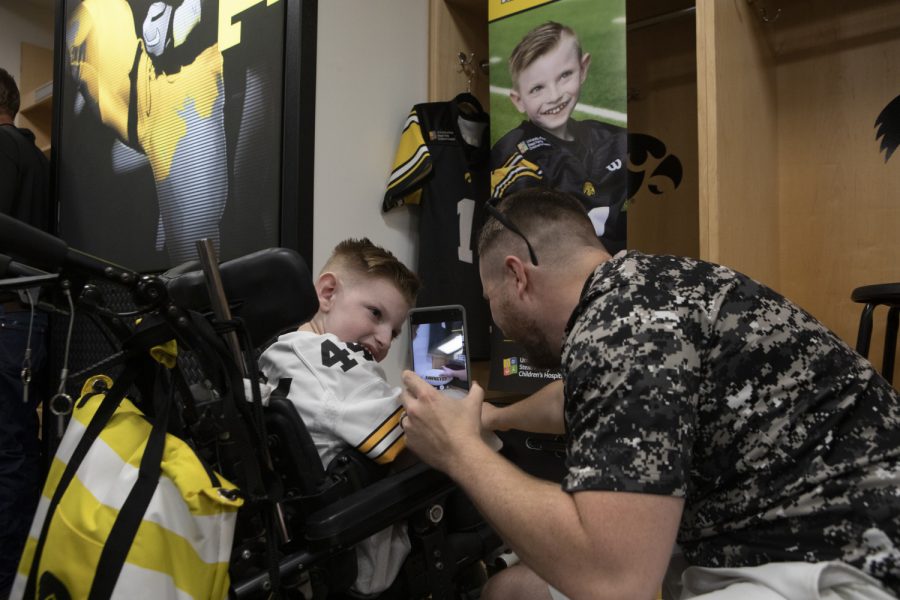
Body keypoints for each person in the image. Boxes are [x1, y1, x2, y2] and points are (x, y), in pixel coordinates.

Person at [399, 187, 900, 599]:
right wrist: (490, 419)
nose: (495, 319)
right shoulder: (648, 288)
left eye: (491, 301)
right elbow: (579, 400)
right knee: (511, 591)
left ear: (516, 275)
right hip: (800, 528)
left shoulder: (619, 327)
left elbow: (617, 583)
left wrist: (458, 450)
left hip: (851, 561)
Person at [257, 238, 420, 597]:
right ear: (327, 293)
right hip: (364, 566)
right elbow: (416, 438)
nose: (383, 340)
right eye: (375, 313)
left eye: (393, 331)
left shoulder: (275, 354)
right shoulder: (334, 362)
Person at [490, 22, 628, 254]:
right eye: (537, 89)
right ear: (518, 100)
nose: (554, 96)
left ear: (583, 69)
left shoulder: (612, 138)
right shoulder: (515, 158)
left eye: (565, 75)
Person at [0, 66, 51, 599]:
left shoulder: (1, 148)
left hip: (8, 319)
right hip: (31, 322)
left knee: (8, 455)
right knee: (19, 449)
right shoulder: (37, 157)